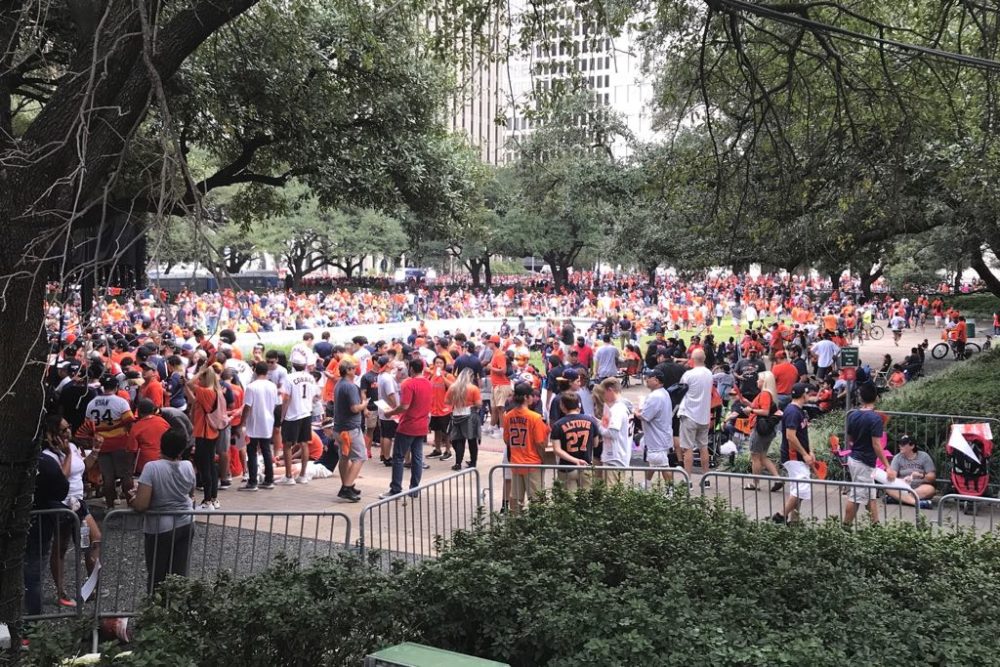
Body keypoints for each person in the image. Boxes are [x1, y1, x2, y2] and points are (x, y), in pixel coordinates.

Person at [41, 415, 102, 609]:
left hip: (79, 502)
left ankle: (91, 586)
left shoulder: (73, 447)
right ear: (52, 434)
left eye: (69, 428)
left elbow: (82, 469)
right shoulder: (49, 456)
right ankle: (60, 591)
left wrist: (96, 451)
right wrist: (66, 454)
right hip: (61, 504)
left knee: (94, 539)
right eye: (63, 430)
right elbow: (61, 478)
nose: (68, 432)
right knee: (61, 547)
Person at [130, 429, 196, 592]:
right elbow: (191, 493)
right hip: (186, 522)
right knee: (179, 575)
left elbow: (142, 504)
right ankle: (176, 609)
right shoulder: (188, 466)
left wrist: (133, 499)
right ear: (182, 449)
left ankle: (156, 611)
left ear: (162, 445)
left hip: (160, 527)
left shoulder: (152, 468)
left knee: (157, 576)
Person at [75, 375, 135, 508]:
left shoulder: (92, 403)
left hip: (101, 444)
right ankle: (131, 504)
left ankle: (110, 506)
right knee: (126, 475)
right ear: (116, 387)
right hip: (119, 443)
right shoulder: (121, 402)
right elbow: (130, 421)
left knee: (107, 477)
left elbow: (87, 425)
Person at [843, 383, 896, 525]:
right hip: (864, 461)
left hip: (856, 458)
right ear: (876, 397)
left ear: (861, 398)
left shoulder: (852, 415)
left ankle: (875, 524)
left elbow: (849, 440)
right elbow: (877, 445)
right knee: (856, 496)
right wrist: (887, 466)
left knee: (869, 494)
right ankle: (846, 527)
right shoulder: (875, 419)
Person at [381, 359, 433, 498]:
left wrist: (391, 412)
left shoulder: (408, 384)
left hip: (408, 425)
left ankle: (396, 488)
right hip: (422, 424)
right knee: (417, 457)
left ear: (410, 369)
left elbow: (404, 406)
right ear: (422, 368)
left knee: (398, 457)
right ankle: (414, 489)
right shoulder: (428, 383)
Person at [502, 382, 550, 513]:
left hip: (516, 463)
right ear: (526, 397)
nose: (533, 398)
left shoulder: (508, 416)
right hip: (532, 463)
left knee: (516, 501)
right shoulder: (535, 417)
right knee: (537, 501)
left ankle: (516, 528)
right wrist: (543, 458)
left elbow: (506, 439)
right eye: (531, 395)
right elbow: (540, 442)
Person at [731, 371, 782, 491]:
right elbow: (759, 408)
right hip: (767, 429)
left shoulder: (764, 394)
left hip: (760, 429)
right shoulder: (768, 394)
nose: (757, 381)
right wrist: (747, 404)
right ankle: (778, 478)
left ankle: (755, 484)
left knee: (755, 456)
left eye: (759, 379)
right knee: (763, 456)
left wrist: (751, 411)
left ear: (764, 382)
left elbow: (764, 411)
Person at [773, 383, 814, 524]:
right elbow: (791, 436)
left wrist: (810, 452)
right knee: (800, 489)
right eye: (808, 393)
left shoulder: (798, 410)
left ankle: (794, 520)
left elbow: (804, 434)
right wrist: (805, 454)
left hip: (798, 456)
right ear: (804, 395)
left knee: (798, 490)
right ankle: (780, 516)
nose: (809, 396)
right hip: (793, 456)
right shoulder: (793, 412)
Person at [184, 365, 223, 510]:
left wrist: (200, 370)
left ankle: (207, 501)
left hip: (204, 433)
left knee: (204, 466)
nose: (198, 379)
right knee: (210, 465)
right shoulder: (214, 392)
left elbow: (190, 384)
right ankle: (213, 498)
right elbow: (194, 401)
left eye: (201, 377)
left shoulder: (206, 391)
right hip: (210, 432)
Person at [278, 351, 319, 485]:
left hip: (292, 415)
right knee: (304, 443)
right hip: (306, 413)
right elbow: (316, 396)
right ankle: (303, 475)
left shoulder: (289, 378)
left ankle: (289, 476)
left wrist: (282, 415)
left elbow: (286, 398)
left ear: (293, 365)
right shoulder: (311, 377)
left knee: (287, 445)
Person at [550, 391, 601, 491]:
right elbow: (595, 444)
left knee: (569, 502)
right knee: (586, 500)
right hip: (586, 466)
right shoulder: (591, 421)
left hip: (566, 468)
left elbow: (557, 450)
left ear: (562, 406)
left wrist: (575, 460)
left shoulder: (558, 425)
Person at [240, 362, 279, 491]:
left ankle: (252, 482)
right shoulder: (272, 386)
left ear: (255, 371)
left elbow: (247, 406)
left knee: (252, 452)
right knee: (266, 450)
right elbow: (276, 404)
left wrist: (242, 422)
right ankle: (269, 480)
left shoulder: (251, 387)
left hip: (254, 422)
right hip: (268, 421)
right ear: (267, 372)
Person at [333, 358, 367, 502]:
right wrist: (364, 404)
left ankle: (347, 484)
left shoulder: (339, 384)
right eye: (353, 368)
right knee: (360, 457)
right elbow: (354, 408)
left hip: (340, 428)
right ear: (348, 371)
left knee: (344, 457)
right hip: (350, 428)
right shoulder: (350, 386)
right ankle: (346, 487)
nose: (356, 370)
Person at [678, 349, 713, 481]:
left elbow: (681, 389)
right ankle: (706, 477)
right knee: (703, 447)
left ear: (692, 359)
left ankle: (688, 479)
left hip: (689, 414)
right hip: (703, 415)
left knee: (687, 448)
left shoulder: (688, 374)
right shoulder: (709, 374)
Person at [635, 368, 674, 484]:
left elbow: (645, 416)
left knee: (662, 464)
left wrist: (635, 412)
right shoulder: (663, 393)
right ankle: (646, 484)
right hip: (660, 434)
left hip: (657, 437)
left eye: (648, 378)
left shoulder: (655, 396)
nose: (646, 380)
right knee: (653, 461)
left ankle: (670, 490)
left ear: (656, 380)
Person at [445, 368, 482, 470]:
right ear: (470, 377)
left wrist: (457, 403)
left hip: (457, 414)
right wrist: (471, 404)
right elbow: (479, 404)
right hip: (470, 416)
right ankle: (473, 462)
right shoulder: (473, 388)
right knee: (472, 440)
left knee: (459, 440)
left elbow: (446, 401)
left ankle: (458, 463)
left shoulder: (453, 387)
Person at [886, 435, 936, 508]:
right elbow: (892, 477)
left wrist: (920, 475)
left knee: (930, 489)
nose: (900, 446)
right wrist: (902, 480)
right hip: (902, 487)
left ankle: (899, 499)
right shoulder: (897, 458)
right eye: (899, 443)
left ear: (912, 446)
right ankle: (916, 503)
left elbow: (932, 477)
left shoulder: (924, 456)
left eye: (903, 444)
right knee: (888, 488)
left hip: (920, 487)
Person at [128, 398, 172, 475]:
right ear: (153, 410)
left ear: (139, 412)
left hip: (145, 466)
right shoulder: (164, 422)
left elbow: (132, 450)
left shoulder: (136, 427)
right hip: (164, 462)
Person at [426, 356, 455, 461]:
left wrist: (443, 377)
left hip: (445, 409)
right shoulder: (431, 376)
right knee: (436, 430)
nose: (438, 365)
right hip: (434, 409)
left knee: (446, 432)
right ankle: (437, 450)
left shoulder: (448, 375)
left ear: (444, 365)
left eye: (440, 363)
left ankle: (448, 451)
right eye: (437, 363)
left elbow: (453, 387)